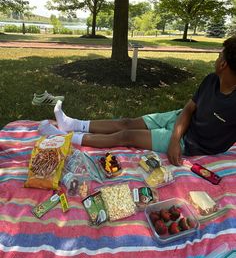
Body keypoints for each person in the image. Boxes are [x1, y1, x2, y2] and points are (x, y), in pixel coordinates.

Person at [39, 36, 236, 166]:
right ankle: (71, 124)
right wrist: (174, 137)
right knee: (126, 121)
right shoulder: (211, 80)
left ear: (224, 63)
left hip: (190, 143)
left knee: (126, 135)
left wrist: (177, 142)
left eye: (219, 54)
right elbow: (189, 108)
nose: (217, 57)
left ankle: (64, 137)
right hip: (179, 122)